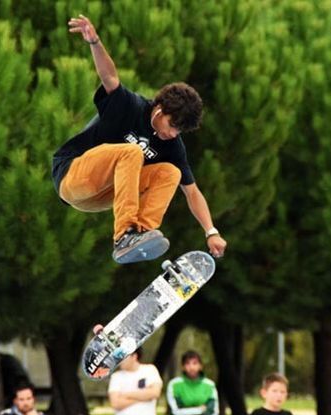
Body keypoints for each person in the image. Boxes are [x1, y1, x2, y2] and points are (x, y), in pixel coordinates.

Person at [52, 14, 227, 264]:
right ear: (159, 110)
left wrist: (211, 232)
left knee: (170, 173)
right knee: (132, 152)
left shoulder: (172, 145)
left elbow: (192, 192)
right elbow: (110, 77)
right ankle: (124, 235)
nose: (173, 134)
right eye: (172, 126)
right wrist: (94, 42)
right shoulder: (129, 106)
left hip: (101, 196)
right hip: (72, 176)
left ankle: (140, 233)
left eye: (179, 132)